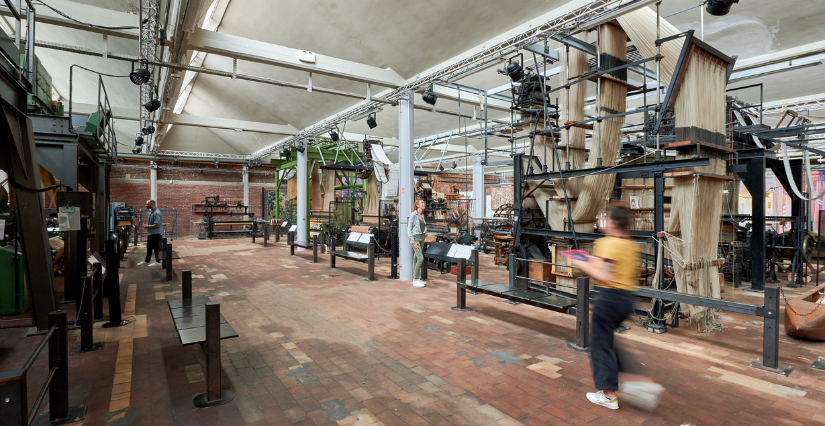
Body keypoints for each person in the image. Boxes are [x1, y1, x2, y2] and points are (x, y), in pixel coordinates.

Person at [569, 202, 662, 410]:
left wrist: (580, 263)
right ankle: (638, 383)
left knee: (600, 347)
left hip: (608, 298)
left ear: (612, 222)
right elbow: (610, 264)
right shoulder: (628, 242)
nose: (601, 222)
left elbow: (604, 274)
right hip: (625, 299)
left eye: (603, 219)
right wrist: (589, 257)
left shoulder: (607, 242)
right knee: (607, 344)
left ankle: (608, 396)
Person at [407, 199, 428, 288]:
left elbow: (422, 227)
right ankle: (415, 279)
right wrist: (413, 241)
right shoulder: (413, 215)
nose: (424, 204)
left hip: (422, 237)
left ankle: (416, 278)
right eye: (421, 203)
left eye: (424, 202)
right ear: (417, 205)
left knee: (416, 258)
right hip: (415, 238)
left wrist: (425, 232)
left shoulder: (422, 215)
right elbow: (409, 229)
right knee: (420, 258)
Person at [137, 200, 163, 266]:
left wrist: (147, 226)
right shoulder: (152, 212)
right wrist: (147, 226)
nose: (146, 205)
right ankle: (147, 260)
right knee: (149, 247)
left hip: (155, 233)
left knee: (156, 248)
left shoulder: (156, 213)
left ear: (152, 204)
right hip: (151, 233)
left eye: (147, 204)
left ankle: (158, 261)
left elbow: (157, 225)